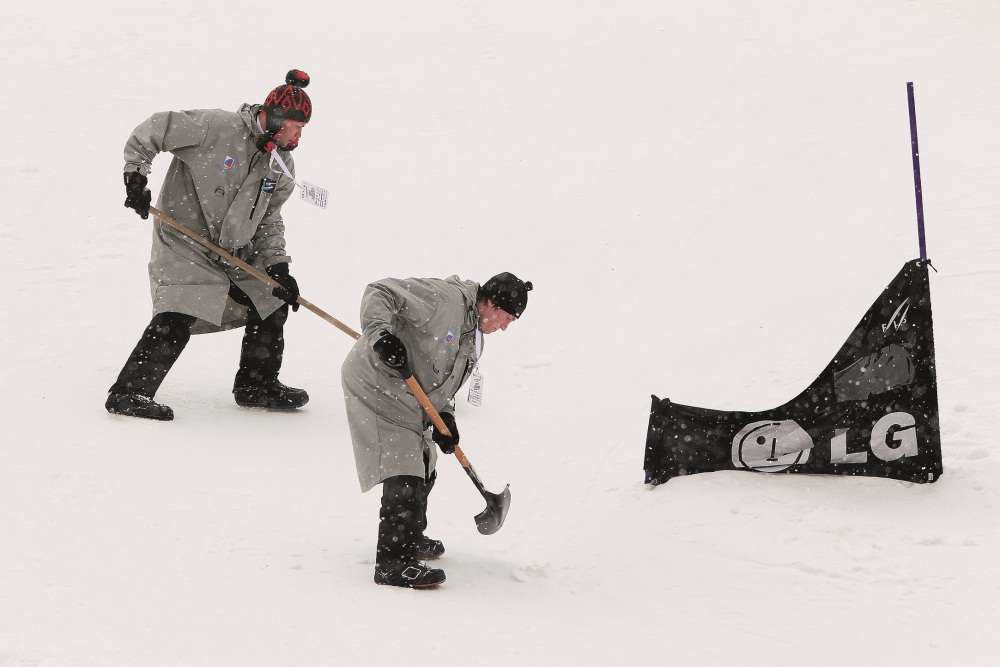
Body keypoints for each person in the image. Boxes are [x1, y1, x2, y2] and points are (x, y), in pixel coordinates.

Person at [106, 70, 315, 421]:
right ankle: (129, 392)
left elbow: (268, 220)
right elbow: (155, 129)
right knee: (181, 307)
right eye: (296, 127)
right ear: (276, 118)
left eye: (302, 129)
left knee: (271, 298)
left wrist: (278, 266)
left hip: (233, 253)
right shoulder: (215, 127)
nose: (298, 135)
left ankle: (255, 385)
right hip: (184, 240)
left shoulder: (281, 165)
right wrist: (136, 174)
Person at [341, 272, 532, 588]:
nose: (505, 327)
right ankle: (393, 563)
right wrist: (381, 336)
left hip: (409, 394)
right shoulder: (445, 300)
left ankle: (411, 537)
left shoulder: (472, 336)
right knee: (403, 467)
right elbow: (380, 291)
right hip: (377, 382)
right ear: (491, 303)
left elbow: (443, 382)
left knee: (425, 461)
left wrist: (446, 417)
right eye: (507, 318)